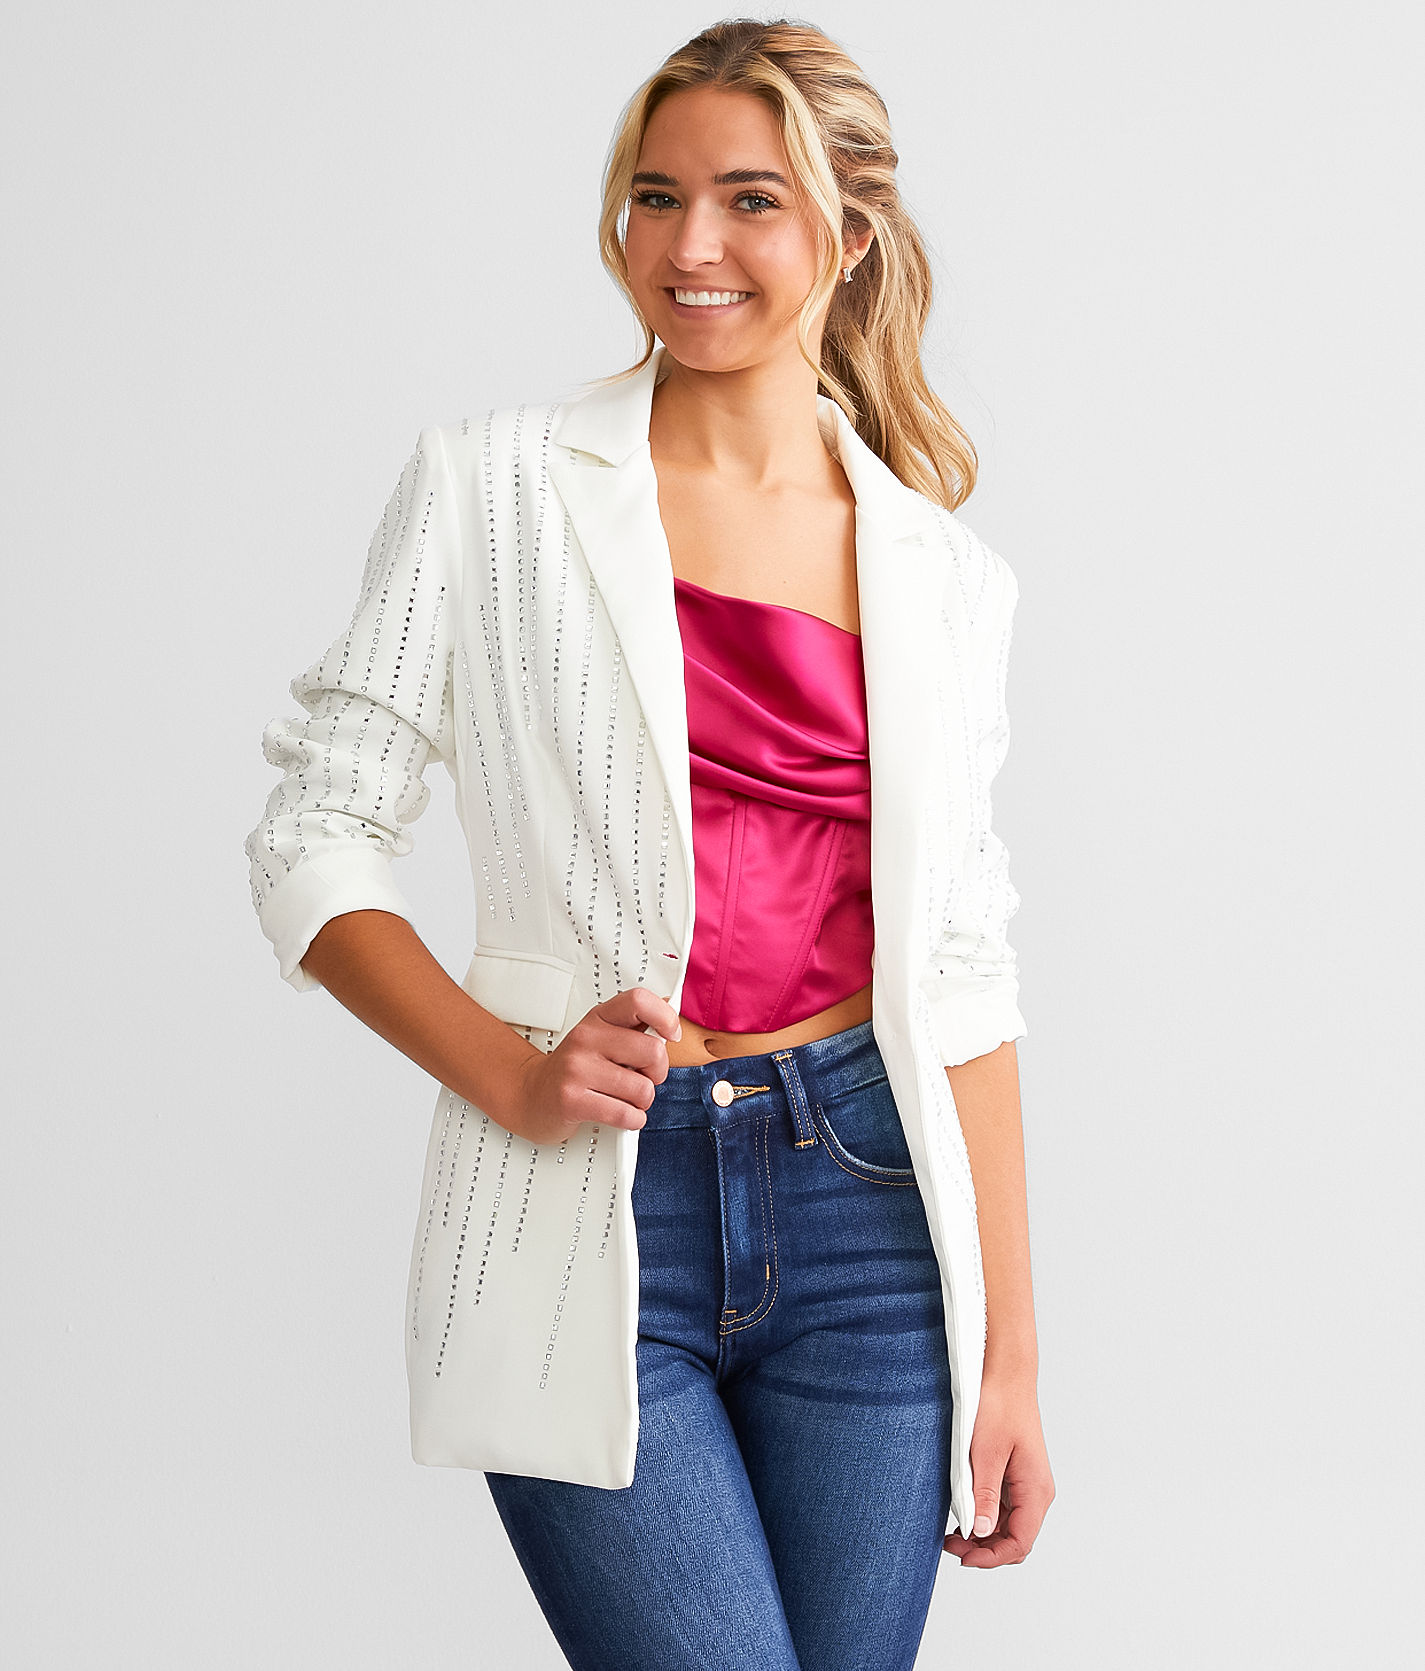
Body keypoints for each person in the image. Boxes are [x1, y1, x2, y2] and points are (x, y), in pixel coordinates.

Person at [244, 16, 1054, 1670]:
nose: (688, 248)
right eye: (654, 196)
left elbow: (966, 971)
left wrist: (1013, 1360)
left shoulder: (943, 577)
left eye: (750, 200)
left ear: (848, 233)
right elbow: (314, 835)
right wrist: (508, 1072)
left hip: (872, 1214)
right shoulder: (493, 490)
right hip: (591, 1204)